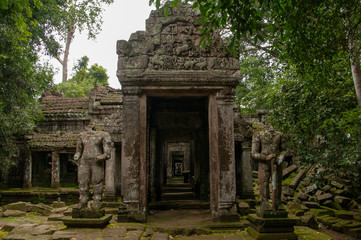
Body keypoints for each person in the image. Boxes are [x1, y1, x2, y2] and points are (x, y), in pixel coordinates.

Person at [74, 122, 111, 210]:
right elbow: (78, 150)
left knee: (97, 181)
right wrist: (76, 156)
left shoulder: (103, 135)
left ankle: (97, 200)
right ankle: (83, 200)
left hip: (96, 161)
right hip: (84, 161)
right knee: (83, 181)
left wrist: (102, 156)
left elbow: (108, 153)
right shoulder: (82, 135)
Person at [251, 122, 286, 211]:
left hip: (276, 163)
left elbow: (283, 150)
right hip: (264, 164)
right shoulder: (258, 135)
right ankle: (264, 202)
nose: (270, 126)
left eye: (272, 124)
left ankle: (278, 202)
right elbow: (254, 153)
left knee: (277, 183)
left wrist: (280, 158)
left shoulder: (280, 135)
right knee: (264, 183)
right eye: (268, 124)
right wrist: (266, 157)